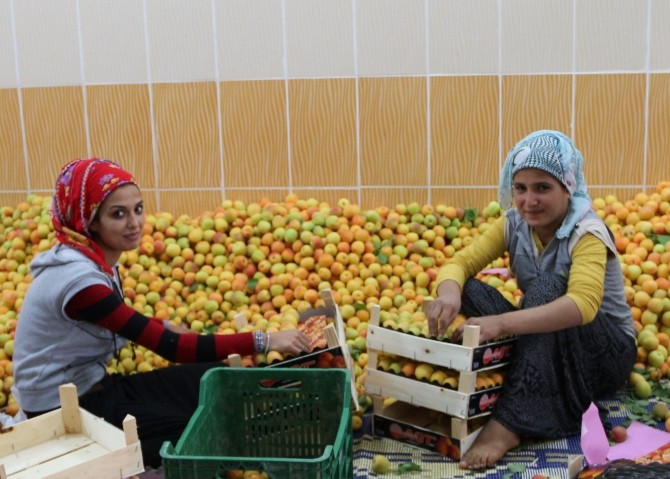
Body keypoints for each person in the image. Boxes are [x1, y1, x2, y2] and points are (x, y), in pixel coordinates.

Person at [12, 158, 310, 469]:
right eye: (118, 214)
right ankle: (98, 464)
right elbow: (171, 348)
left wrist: (164, 325)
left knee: (207, 377)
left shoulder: (89, 259)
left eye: (138, 209)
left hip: (97, 386)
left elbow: (119, 319)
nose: (134, 223)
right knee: (195, 431)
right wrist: (265, 340)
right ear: (91, 221)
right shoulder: (78, 282)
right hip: (63, 413)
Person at [427, 130, 636, 470]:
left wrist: (502, 322)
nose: (529, 200)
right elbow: (459, 263)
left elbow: (582, 305)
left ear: (568, 189)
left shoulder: (588, 232)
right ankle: (528, 377)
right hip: (550, 336)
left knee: (549, 287)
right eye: (521, 188)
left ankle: (510, 423)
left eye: (543, 188)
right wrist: (449, 294)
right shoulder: (513, 224)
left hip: (604, 352)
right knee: (468, 289)